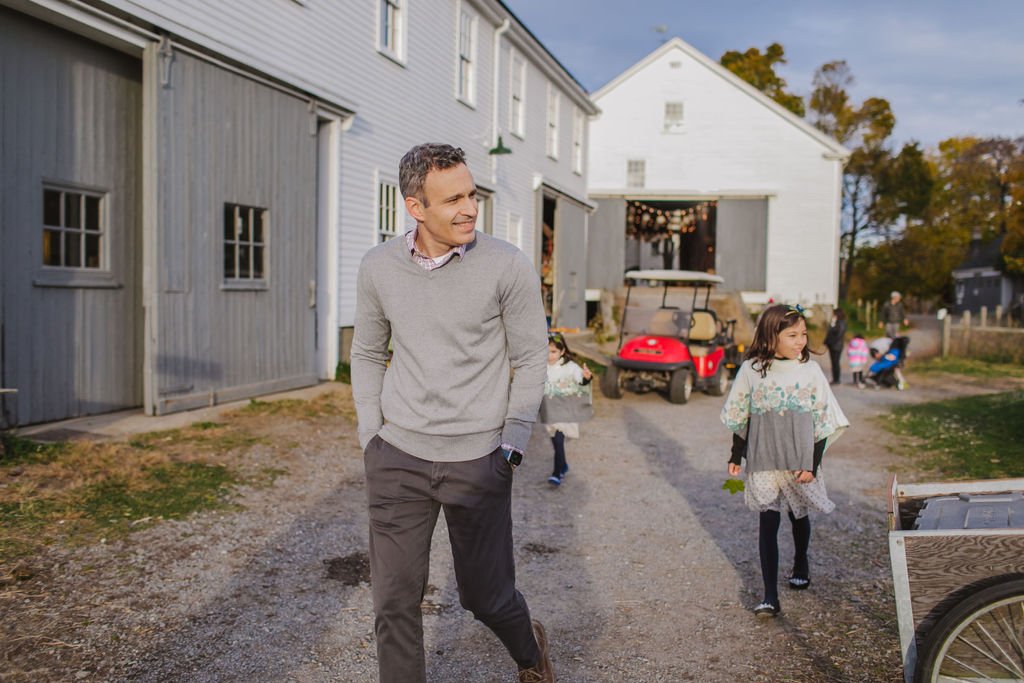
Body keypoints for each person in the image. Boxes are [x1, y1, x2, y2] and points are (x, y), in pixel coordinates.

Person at [350, 143, 555, 683]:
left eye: (472, 195)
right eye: (453, 200)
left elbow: (532, 355)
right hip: (397, 457)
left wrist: (512, 438)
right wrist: (371, 432)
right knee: (393, 602)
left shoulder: (506, 264)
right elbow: (368, 351)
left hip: (479, 458)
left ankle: (530, 654)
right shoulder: (378, 267)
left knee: (485, 598)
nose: (469, 209)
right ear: (415, 208)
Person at [720, 304, 849, 618]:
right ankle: (769, 595)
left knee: (798, 513)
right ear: (770, 335)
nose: (800, 341)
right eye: (792, 335)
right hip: (764, 457)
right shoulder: (751, 370)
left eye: (803, 334)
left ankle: (801, 560)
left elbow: (825, 419)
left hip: (799, 459)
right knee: (768, 519)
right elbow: (741, 414)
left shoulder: (810, 371)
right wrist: (736, 454)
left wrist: (812, 463)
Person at [539, 333, 593, 487]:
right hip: (549, 410)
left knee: (558, 437)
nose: (550, 355)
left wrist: (585, 377)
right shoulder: (541, 367)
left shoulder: (570, 367)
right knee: (555, 441)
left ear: (562, 352)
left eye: (554, 351)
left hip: (565, 410)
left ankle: (557, 473)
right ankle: (563, 465)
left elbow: (579, 378)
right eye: (547, 351)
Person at [823, 308, 847, 385]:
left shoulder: (841, 323)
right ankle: (835, 379)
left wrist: (830, 342)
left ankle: (836, 379)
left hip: (837, 346)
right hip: (833, 345)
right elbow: (830, 332)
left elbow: (838, 335)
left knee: (836, 363)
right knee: (833, 363)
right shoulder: (836, 322)